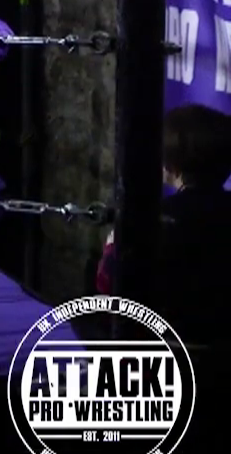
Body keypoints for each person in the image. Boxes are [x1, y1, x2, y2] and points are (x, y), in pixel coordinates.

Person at [95, 103, 231, 345]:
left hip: (167, 351)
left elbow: (109, 286)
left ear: (171, 166)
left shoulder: (148, 218)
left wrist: (112, 246)